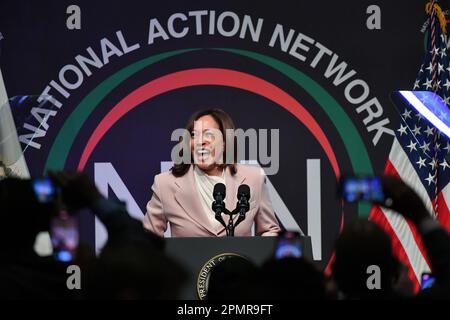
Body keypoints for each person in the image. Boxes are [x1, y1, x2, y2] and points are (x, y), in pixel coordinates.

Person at [143, 108, 280, 237]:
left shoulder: (253, 179)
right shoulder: (165, 184)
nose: (201, 141)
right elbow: (147, 239)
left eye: (209, 134)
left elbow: (270, 230)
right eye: (194, 135)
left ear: (225, 142)